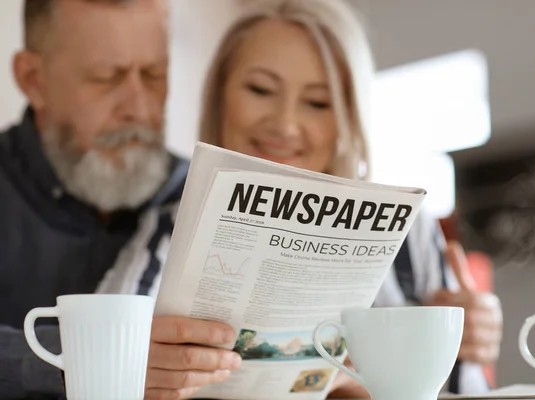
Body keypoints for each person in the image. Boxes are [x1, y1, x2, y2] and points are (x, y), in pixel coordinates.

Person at [192, 0, 503, 397]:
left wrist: (471, 339)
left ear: (348, 116)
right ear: (219, 94)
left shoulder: (411, 234)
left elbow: (469, 390)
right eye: (261, 89)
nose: (285, 124)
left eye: (318, 102)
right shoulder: (165, 231)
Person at [0, 1, 241, 399]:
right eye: (105, 78)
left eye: (154, 75)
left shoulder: (201, 195)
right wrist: (81, 359)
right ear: (33, 80)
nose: (139, 109)